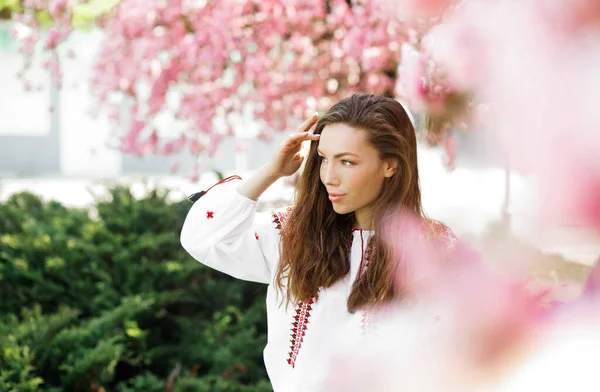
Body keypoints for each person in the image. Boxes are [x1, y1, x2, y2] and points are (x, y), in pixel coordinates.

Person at [180, 93, 457, 391]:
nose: (329, 177)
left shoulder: (433, 248)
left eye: (347, 162)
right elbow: (203, 237)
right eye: (323, 159)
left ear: (390, 165)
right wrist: (271, 172)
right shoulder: (290, 234)